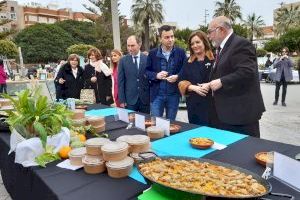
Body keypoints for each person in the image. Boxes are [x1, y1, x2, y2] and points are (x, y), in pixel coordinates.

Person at [203, 16, 265, 137]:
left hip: (241, 115)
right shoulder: (223, 48)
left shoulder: (241, 44)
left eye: (210, 32)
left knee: (244, 152)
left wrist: (221, 81)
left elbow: (247, 71)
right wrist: (210, 84)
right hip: (228, 114)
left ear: (221, 30)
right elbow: (224, 71)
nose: (209, 36)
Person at [145, 25, 186, 120]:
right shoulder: (152, 53)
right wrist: (156, 75)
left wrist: (177, 76)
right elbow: (146, 72)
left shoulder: (181, 52)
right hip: (157, 95)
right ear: (160, 39)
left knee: (171, 124)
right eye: (167, 37)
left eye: (172, 36)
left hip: (174, 95)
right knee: (155, 124)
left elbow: (185, 70)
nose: (170, 39)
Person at [178, 31, 214, 125]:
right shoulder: (188, 61)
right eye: (192, 44)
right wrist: (193, 87)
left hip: (212, 105)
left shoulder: (215, 59)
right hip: (193, 105)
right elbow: (181, 80)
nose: (195, 45)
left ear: (204, 42)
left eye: (198, 42)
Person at [118, 35, 150, 113]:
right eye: (128, 46)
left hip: (145, 99)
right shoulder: (123, 61)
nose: (130, 48)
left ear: (139, 44)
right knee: (131, 123)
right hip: (129, 100)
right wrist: (122, 100)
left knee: (145, 123)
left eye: (132, 45)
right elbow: (121, 82)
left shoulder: (147, 59)